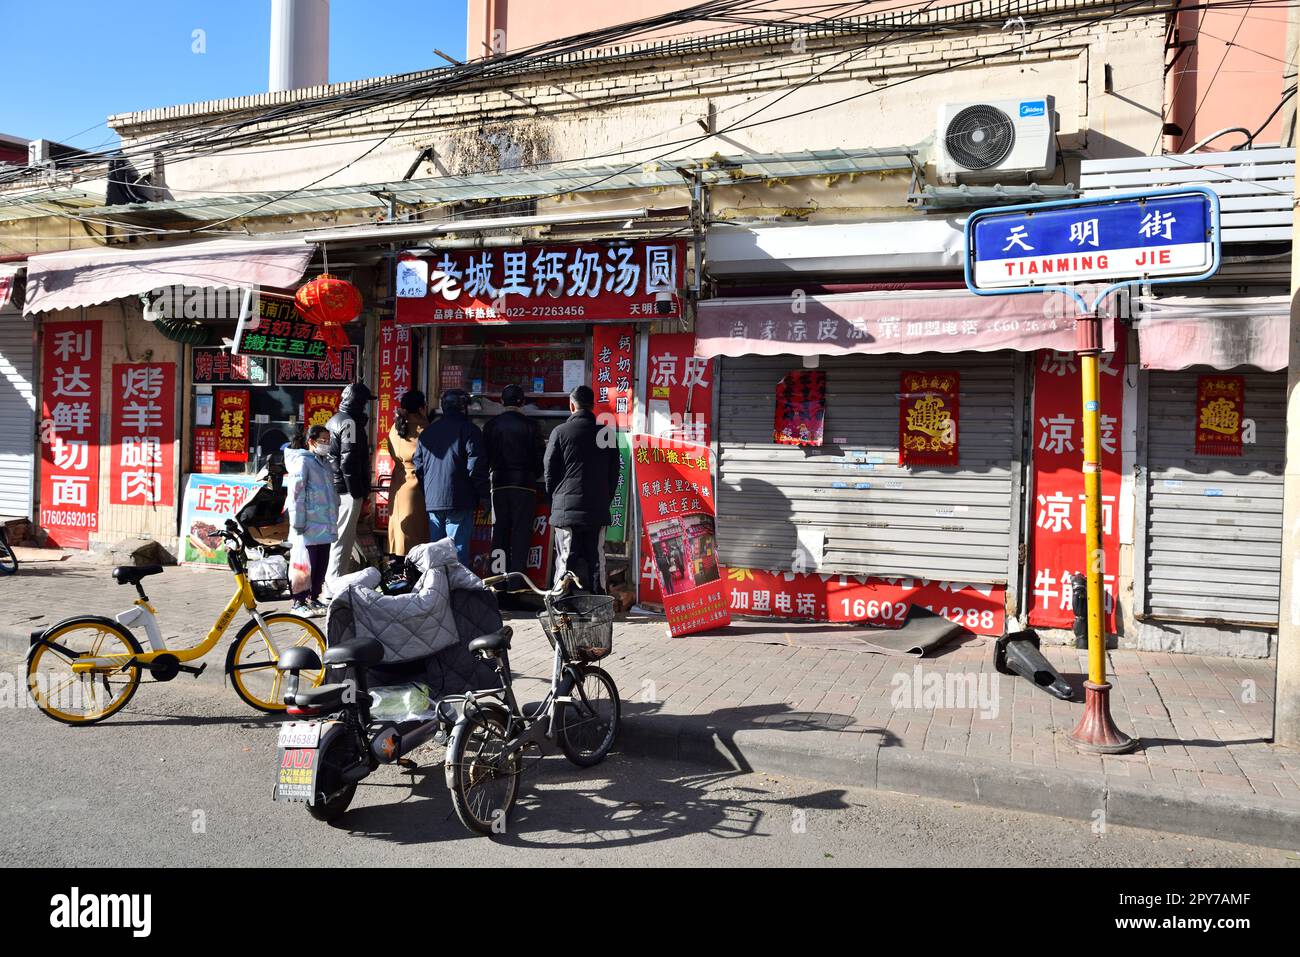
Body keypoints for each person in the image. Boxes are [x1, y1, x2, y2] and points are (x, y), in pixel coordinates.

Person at [544, 384, 620, 594]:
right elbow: (614, 474)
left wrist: (557, 498)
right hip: (597, 509)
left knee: (566, 558)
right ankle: (600, 605)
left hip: (566, 510)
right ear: (593, 406)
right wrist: (605, 498)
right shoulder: (606, 434)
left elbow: (549, 471)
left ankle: (561, 604)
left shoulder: (559, 432)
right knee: (597, 559)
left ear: (571, 405)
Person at [412, 388, 488, 566]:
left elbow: (419, 468)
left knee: (436, 553)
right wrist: (483, 494)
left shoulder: (428, 433)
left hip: (434, 500)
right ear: (464, 407)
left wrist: (428, 492)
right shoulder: (470, 430)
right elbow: (475, 467)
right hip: (460, 498)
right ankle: (456, 591)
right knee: (456, 551)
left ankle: (436, 590)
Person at [483, 384, 543, 590]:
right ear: (522, 402)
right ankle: (516, 582)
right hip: (525, 485)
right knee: (520, 533)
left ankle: (497, 581)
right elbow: (539, 459)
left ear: (501, 402)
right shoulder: (532, 425)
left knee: (499, 531)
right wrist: (533, 474)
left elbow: (485, 457)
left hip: (498, 484)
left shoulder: (491, 425)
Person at [284, 426, 339, 617]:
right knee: (303, 565)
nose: (326, 444)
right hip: (307, 524)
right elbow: (296, 494)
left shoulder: (325, 463)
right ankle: (298, 602)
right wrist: (298, 522)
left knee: (320, 564)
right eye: (322, 440)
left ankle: (314, 598)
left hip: (323, 523)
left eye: (327, 440)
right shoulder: (302, 462)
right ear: (311, 442)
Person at [325, 382, 374, 583]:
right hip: (346, 490)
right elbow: (349, 459)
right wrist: (356, 492)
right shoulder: (350, 424)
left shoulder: (336, 419)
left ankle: (331, 580)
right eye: (364, 403)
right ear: (359, 403)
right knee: (342, 540)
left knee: (337, 538)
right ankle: (333, 584)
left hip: (336, 486)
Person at [386, 390, 430, 557]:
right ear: (421, 408)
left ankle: (398, 569)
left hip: (398, 481)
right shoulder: (425, 428)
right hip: (417, 484)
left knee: (399, 528)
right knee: (418, 532)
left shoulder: (394, 428)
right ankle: (413, 571)